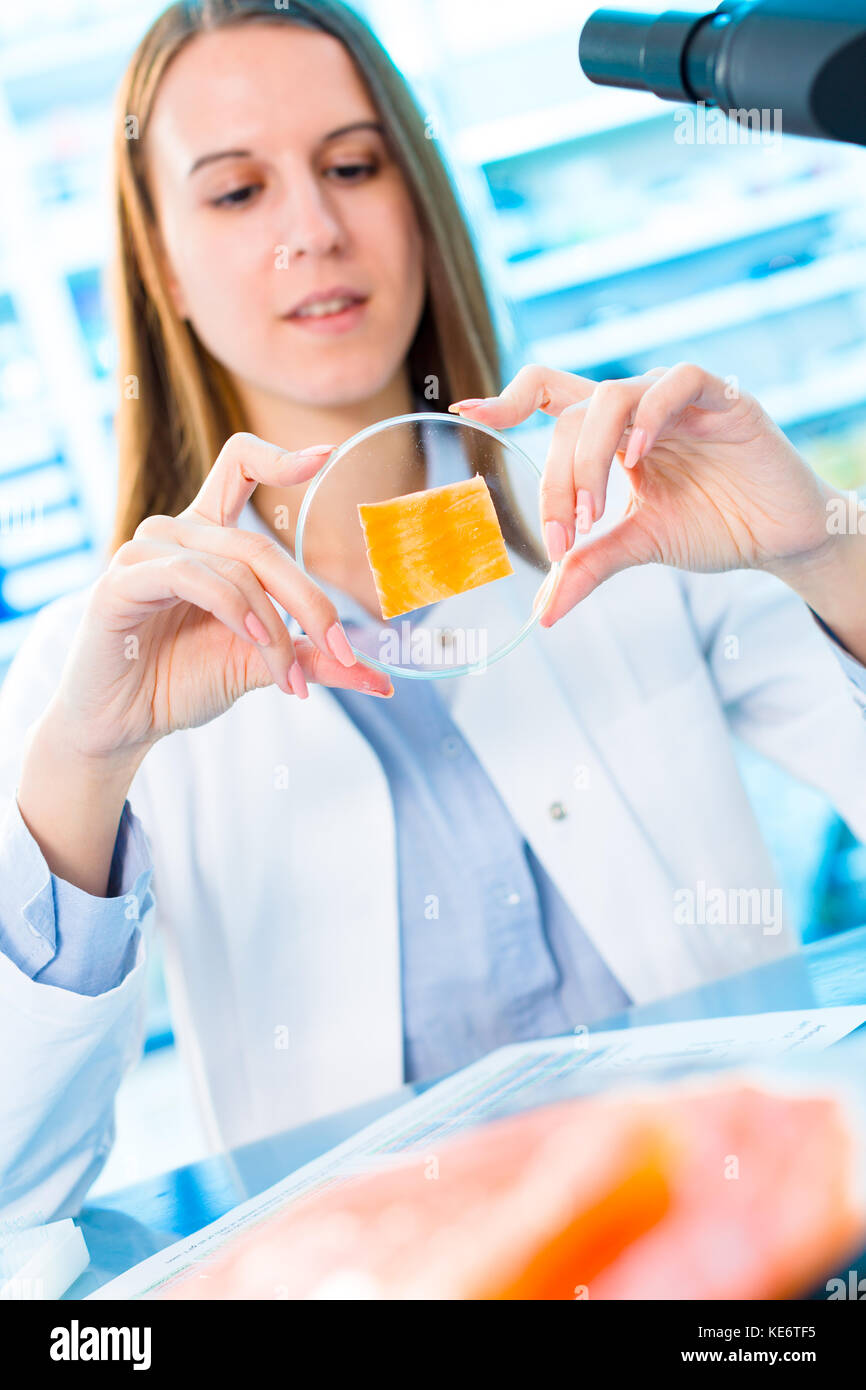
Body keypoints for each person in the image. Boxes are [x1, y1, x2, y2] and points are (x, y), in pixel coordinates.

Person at [0, 0, 864, 1231]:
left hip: (732, 1250)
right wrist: (83, 769)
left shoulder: (628, 517)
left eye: (353, 167)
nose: (313, 229)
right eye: (238, 193)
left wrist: (826, 546)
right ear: (164, 270)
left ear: (420, 201)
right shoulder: (85, 679)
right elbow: (14, 1189)